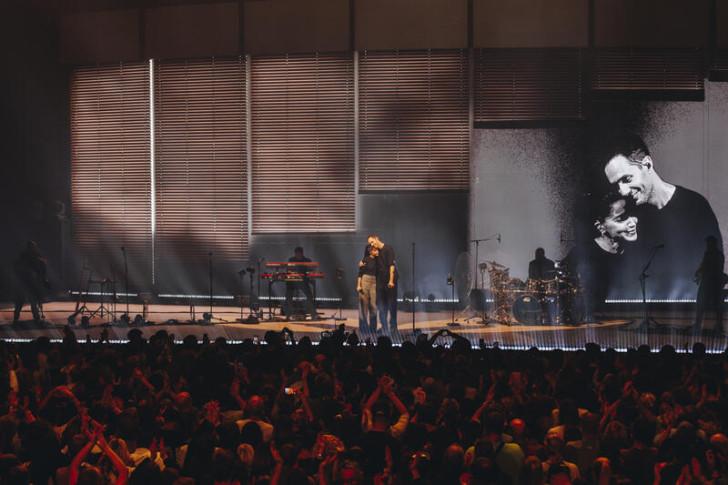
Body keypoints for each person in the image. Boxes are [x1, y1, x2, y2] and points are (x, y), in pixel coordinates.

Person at [599, 132, 723, 298]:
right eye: (617, 185)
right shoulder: (628, 217)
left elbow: (714, 267)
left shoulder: (695, 205)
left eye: (627, 179)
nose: (623, 191)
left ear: (648, 165)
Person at [565, 193, 639, 322]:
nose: (632, 223)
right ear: (601, 226)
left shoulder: (631, 249)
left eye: (632, 216)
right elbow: (566, 267)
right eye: (621, 218)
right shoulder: (585, 250)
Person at [364, 234, 397, 334]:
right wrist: (362, 262)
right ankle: (384, 328)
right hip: (380, 281)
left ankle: (393, 328)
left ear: (377, 239)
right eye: (370, 243)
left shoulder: (388, 248)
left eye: (372, 242)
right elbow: (367, 258)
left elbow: (391, 265)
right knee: (382, 306)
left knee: (392, 305)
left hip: (390, 281)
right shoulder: (375, 252)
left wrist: (391, 280)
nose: (372, 244)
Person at [693, 235, 726, 335]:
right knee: (704, 305)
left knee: (716, 307)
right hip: (708, 283)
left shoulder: (717, 255)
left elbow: (714, 269)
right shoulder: (709, 254)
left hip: (713, 284)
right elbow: (704, 265)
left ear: (712, 244)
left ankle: (718, 326)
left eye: (708, 243)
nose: (707, 245)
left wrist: (700, 273)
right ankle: (700, 325)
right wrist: (699, 273)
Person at [12, 240, 49, 323]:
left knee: (30, 302)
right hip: (26, 283)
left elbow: (40, 270)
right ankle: (33, 318)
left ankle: (33, 317)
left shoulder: (31, 257)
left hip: (28, 283)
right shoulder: (26, 257)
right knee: (26, 301)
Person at [283, 247, 316, 319]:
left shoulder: (307, 260)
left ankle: (313, 314)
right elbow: (288, 270)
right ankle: (288, 314)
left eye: (299, 253)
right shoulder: (291, 260)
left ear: (302, 253)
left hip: (304, 282)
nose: (298, 255)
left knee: (309, 296)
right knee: (288, 295)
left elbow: (311, 270)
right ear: (295, 254)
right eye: (296, 253)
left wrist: (309, 274)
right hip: (292, 282)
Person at [357, 245, 379, 335]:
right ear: (370, 251)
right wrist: (358, 285)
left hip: (374, 282)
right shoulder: (365, 259)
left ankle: (373, 329)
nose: (377, 251)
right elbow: (360, 273)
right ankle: (363, 328)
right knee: (363, 306)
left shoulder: (379, 260)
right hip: (365, 281)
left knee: (373, 306)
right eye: (375, 250)